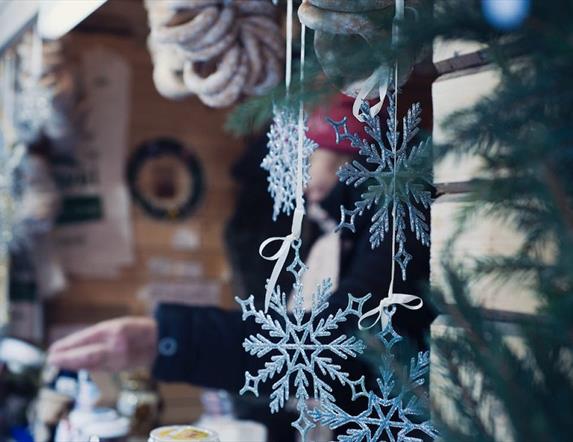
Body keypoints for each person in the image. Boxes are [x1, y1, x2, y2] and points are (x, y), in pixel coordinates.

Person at [48, 72, 436, 441]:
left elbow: (337, 340)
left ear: (347, 162)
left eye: (312, 161)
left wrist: (171, 339)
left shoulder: (394, 226)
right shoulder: (328, 231)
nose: (303, 184)